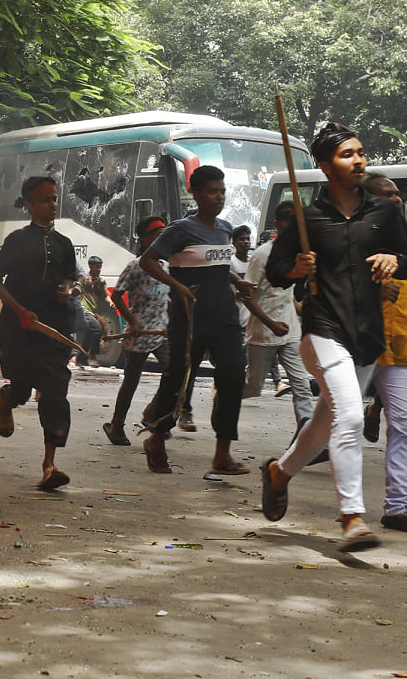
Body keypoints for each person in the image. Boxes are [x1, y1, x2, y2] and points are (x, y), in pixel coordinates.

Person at [259, 122, 407, 553]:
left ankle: (279, 473)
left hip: (366, 333)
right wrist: (296, 269)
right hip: (323, 330)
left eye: (361, 152)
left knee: (326, 418)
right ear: (326, 167)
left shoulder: (384, 213)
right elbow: (275, 271)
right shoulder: (307, 219)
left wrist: (394, 257)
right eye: (348, 155)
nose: (359, 160)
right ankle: (351, 517)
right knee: (348, 417)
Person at [137, 165, 253, 479]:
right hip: (189, 318)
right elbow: (147, 260)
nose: (219, 196)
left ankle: (222, 453)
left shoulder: (225, 228)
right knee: (178, 378)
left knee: (232, 374)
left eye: (222, 190)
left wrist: (237, 282)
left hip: (225, 316)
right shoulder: (180, 229)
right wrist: (177, 286)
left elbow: (216, 264)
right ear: (196, 193)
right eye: (213, 191)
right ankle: (157, 437)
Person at [0, 176, 79, 491]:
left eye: (54, 198)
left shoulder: (65, 244)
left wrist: (66, 290)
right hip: (19, 329)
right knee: (23, 390)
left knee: (54, 393)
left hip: (54, 329)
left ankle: (49, 465)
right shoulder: (17, 240)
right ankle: (6, 397)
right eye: (44, 199)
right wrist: (19, 310)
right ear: (29, 205)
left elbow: (70, 278)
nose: (52, 204)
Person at [355, 174, 407, 534]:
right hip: (359, 345)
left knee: (403, 425)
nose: (397, 200)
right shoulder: (355, 237)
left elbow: (401, 282)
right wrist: (370, 295)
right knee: (340, 424)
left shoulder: (401, 243)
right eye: (388, 195)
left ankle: (397, 508)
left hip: (400, 348)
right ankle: (285, 470)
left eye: (399, 194)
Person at [243, 201, 315, 425]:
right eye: (288, 223)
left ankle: (305, 432)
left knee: (302, 384)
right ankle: (226, 396)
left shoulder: (299, 254)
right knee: (253, 387)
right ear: (276, 225)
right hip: (263, 334)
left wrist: (298, 308)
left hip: (291, 331)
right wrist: (271, 323)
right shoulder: (262, 255)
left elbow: (284, 291)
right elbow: (248, 295)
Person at [105, 216, 171, 446]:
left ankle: (153, 414)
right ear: (144, 240)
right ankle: (116, 425)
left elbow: (166, 296)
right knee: (131, 381)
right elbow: (116, 295)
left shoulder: (166, 266)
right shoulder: (136, 266)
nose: (161, 241)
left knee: (173, 376)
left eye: (164, 236)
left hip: (161, 333)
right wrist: (132, 322)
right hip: (139, 335)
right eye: (155, 236)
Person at [75, 257, 112, 368]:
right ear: (91, 266)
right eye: (97, 267)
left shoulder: (101, 281)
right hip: (84, 309)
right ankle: (92, 356)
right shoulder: (85, 280)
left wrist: (111, 302)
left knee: (90, 335)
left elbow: (106, 295)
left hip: (93, 311)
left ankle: (80, 358)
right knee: (97, 329)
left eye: (100, 267)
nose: (99, 269)